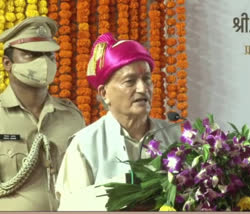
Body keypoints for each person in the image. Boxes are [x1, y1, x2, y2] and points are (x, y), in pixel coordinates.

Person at [55, 33, 181, 210]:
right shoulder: (85, 144)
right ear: (104, 93)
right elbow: (70, 207)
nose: (142, 88)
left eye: (146, 79)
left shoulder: (174, 135)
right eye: (130, 81)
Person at [0, 16, 85, 211]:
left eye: (49, 55)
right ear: (7, 63)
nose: (44, 63)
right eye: (31, 55)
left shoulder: (72, 117)